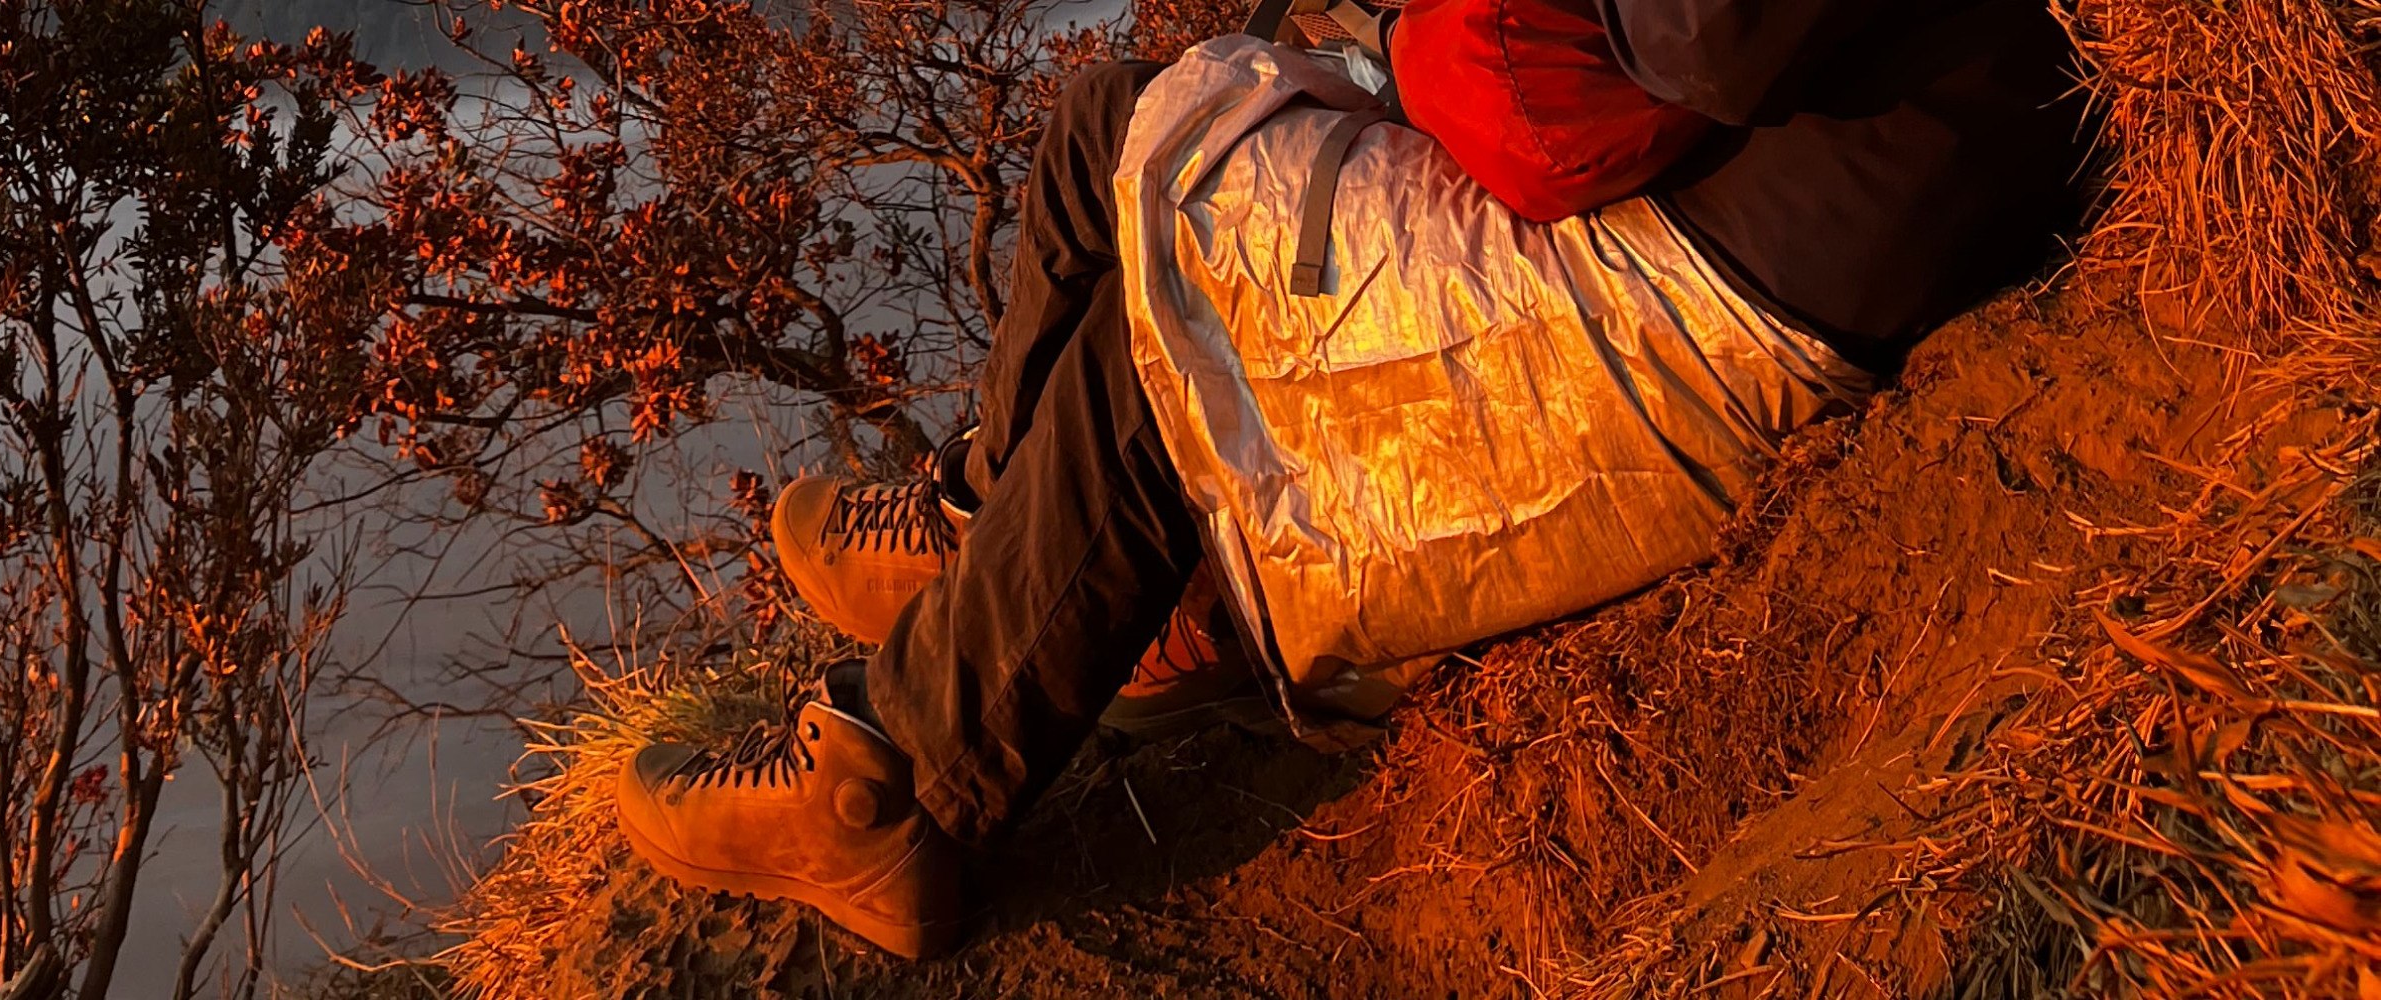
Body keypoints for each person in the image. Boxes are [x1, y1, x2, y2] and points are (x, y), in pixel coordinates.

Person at [612, 0, 2092, 959]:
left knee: (1190, 289)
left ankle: (904, 788)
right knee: (1109, 119)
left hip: (1719, 290)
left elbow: (1676, 55)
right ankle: (987, 527)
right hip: (1709, 214)